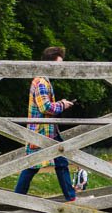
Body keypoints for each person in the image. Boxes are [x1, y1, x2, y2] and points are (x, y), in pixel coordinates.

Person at [14, 47, 76, 201]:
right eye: (59, 63)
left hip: (49, 130)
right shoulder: (41, 82)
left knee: (61, 162)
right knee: (32, 166)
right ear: (50, 63)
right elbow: (45, 107)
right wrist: (62, 105)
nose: (60, 67)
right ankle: (16, 198)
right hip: (41, 131)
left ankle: (71, 198)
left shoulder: (44, 80)